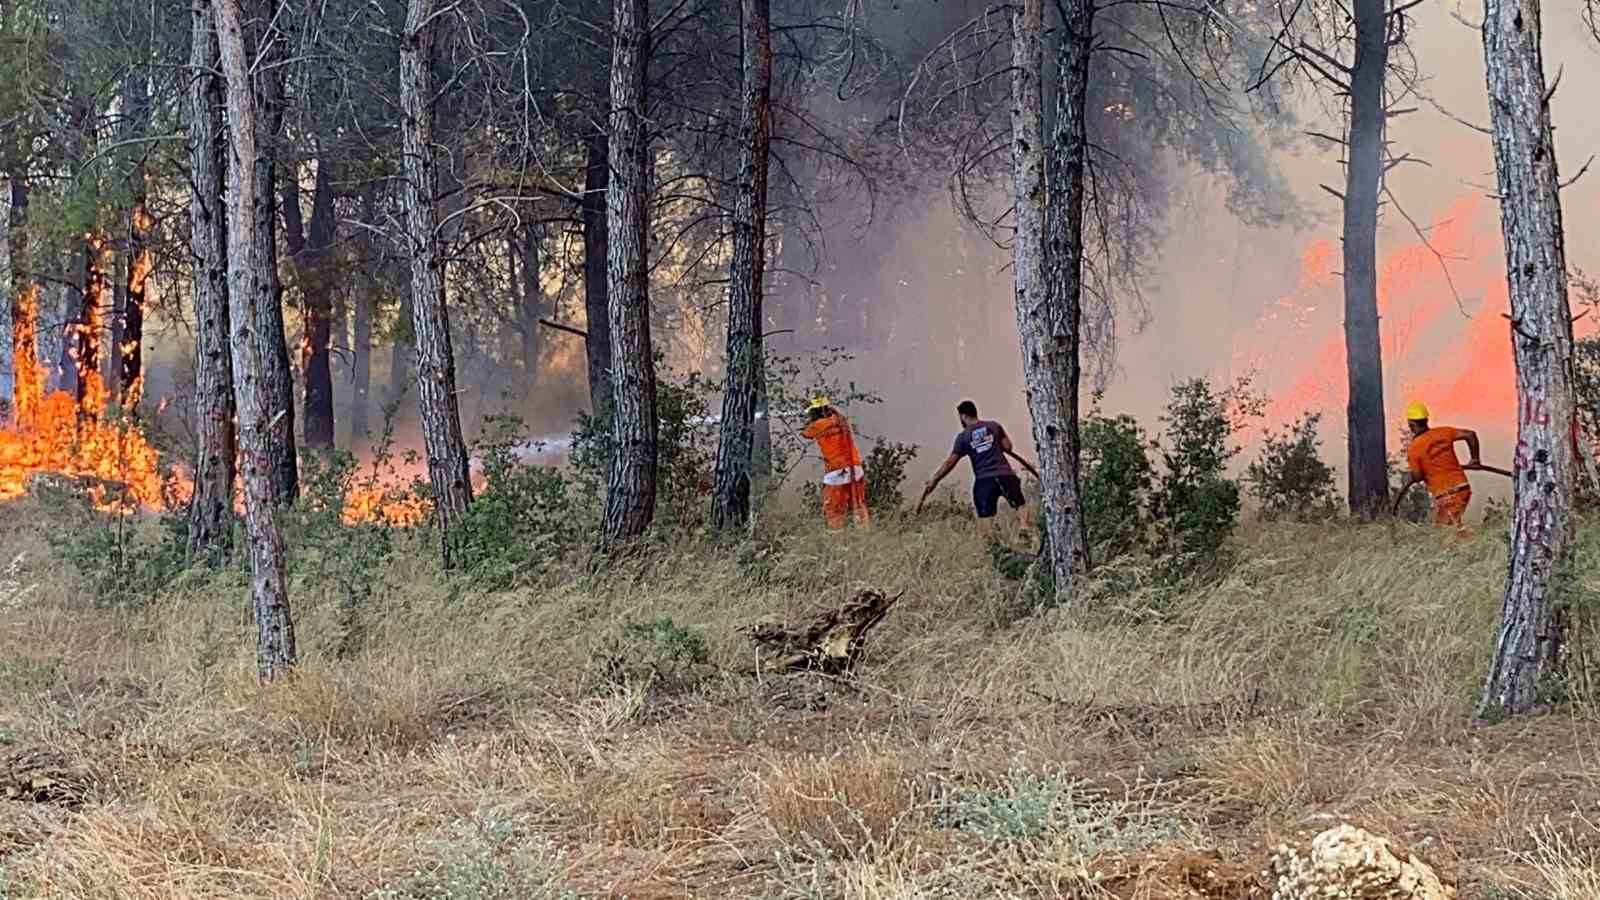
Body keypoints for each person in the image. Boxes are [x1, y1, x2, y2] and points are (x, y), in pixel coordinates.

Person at [915, 400, 1040, 538]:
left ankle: (993, 543)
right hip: (1005, 475)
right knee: (1020, 505)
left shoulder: (963, 437)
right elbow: (1008, 447)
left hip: (984, 480)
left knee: (985, 518)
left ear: (962, 416)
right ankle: (1024, 526)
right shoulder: (994, 426)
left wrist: (934, 480)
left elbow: (950, 463)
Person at [1391, 401, 1483, 529]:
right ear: (1426, 420)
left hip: (1448, 494)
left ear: (1411, 424)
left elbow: (1417, 476)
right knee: (1445, 529)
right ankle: (1469, 544)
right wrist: (1475, 460)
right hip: (1462, 488)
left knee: (1443, 532)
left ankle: (1473, 544)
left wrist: (1413, 476)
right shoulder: (1443, 432)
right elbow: (1470, 435)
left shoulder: (1414, 448)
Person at [801, 394, 870, 529]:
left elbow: (805, 434)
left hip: (836, 470)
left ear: (814, 412)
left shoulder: (817, 425)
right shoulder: (840, 420)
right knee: (858, 504)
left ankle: (836, 534)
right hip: (855, 467)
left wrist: (807, 419)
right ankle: (864, 531)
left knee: (833, 508)